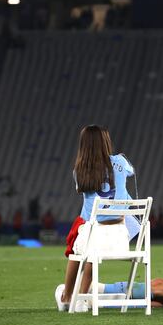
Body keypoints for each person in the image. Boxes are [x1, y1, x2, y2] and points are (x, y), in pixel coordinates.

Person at [55, 124, 137, 312]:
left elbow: (80, 190)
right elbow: (131, 171)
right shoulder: (120, 162)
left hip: (94, 234)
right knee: (91, 243)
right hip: (119, 238)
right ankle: (82, 298)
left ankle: (68, 297)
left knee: (78, 247)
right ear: (105, 142)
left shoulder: (79, 171)